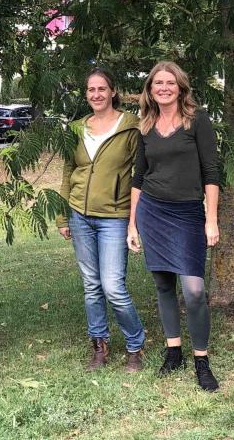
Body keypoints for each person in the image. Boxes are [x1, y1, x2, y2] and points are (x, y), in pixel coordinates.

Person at [127, 61, 221, 392]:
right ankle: (173, 352)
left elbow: (211, 172)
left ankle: (201, 361)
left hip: (188, 214)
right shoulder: (146, 125)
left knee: (194, 291)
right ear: (150, 90)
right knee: (163, 285)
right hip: (152, 212)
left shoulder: (198, 120)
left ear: (181, 88)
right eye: (158, 83)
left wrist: (211, 219)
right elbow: (138, 177)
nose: (164, 88)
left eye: (170, 83)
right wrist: (132, 225)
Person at [57, 68, 146, 373]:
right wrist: (62, 215)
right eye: (91, 89)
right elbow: (68, 172)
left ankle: (135, 344)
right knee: (91, 285)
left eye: (101, 89)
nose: (96, 94)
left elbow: (140, 176)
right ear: (86, 94)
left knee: (113, 287)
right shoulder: (76, 129)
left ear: (112, 92)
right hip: (79, 215)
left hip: (115, 217)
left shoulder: (131, 127)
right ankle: (99, 344)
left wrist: (134, 221)